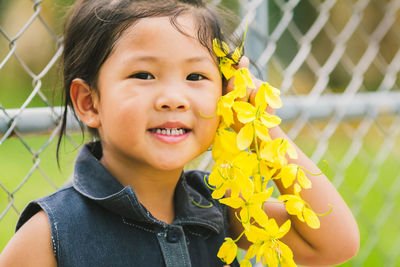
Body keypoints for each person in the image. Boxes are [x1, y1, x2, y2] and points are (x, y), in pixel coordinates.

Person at [0, 0, 359, 266]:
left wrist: (258, 124)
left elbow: (335, 244)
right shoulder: (51, 234)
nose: (173, 99)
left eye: (196, 77)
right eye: (143, 75)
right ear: (89, 102)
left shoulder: (219, 208)